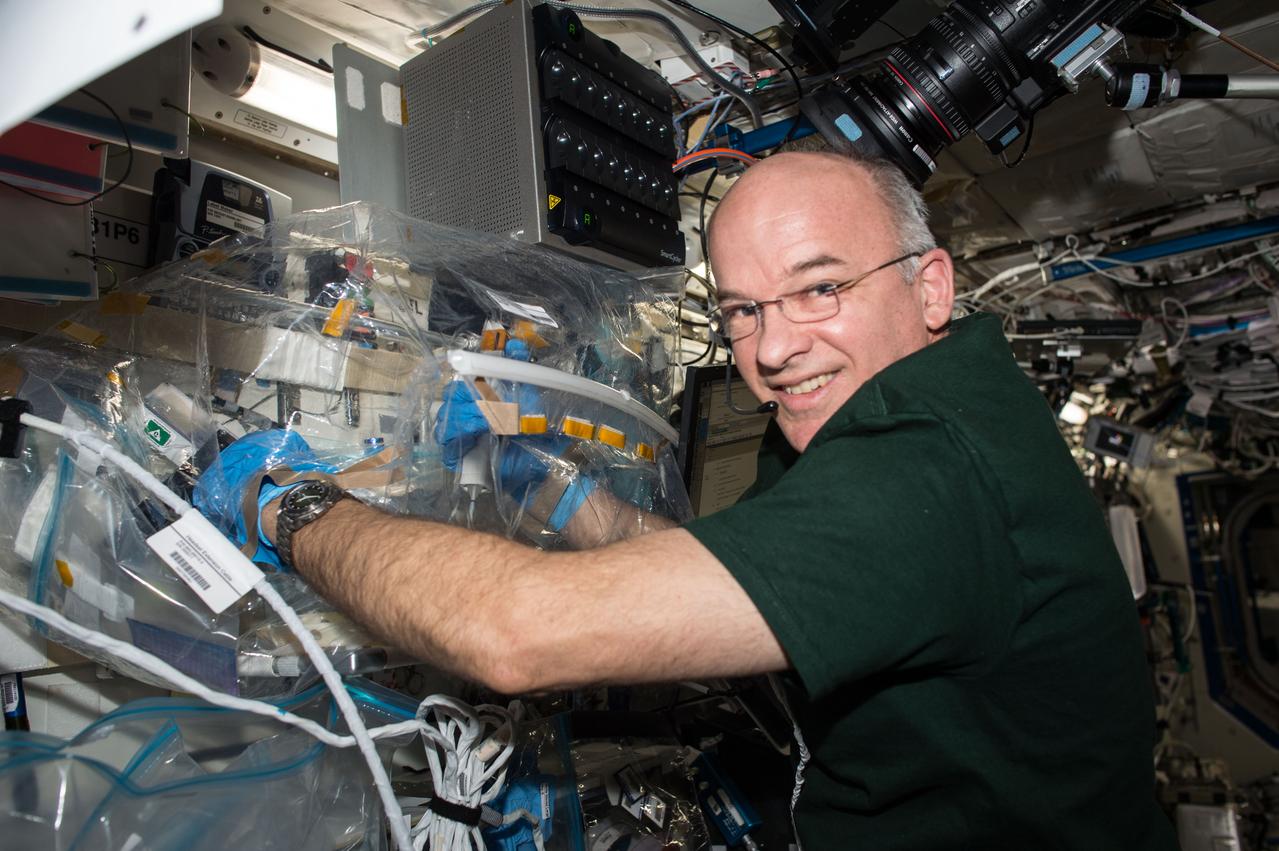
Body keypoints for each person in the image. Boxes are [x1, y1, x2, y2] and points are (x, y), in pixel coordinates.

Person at [199, 151, 1177, 849]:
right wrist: (537, 477)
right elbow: (712, 563)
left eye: (818, 287)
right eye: (742, 311)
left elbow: (512, 631)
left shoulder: (922, 470)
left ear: (929, 285)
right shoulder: (894, 404)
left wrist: (283, 503)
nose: (773, 347)